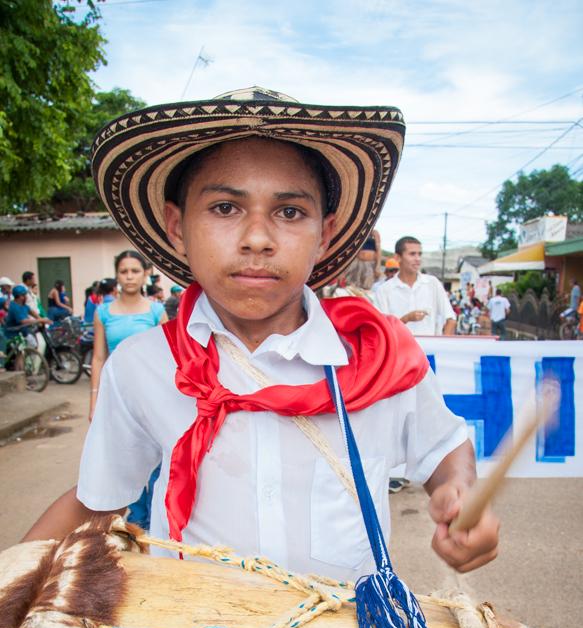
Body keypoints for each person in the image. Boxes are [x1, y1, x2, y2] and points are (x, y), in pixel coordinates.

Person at [24, 86, 498, 584]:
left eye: (289, 212)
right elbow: (97, 501)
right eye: (226, 208)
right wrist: (12, 584)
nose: (257, 238)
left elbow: (444, 447)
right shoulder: (143, 365)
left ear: (326, 233)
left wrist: (460, 493)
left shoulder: (380, 358)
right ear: (177, 226)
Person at [89, 249, 168, 530]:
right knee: (124, 461)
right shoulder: (104, 312)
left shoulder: (156, 311)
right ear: (117, 275)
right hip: (119, 399)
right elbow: (98, 358)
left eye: (135, 271)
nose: (129, 276)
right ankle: (136, 524)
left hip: (155, 397)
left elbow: (170, 356)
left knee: (160, 464)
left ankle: (156, 522)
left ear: (145, 274)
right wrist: (94, 401)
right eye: (124, 271)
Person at [375, 236, 457, 336]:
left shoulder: (432, 283)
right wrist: (406, 319)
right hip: (399, 350)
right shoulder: (384, 290)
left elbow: (451, 319)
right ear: (397, 257)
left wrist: (443, 347)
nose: (417, 259)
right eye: (412, 254)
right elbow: (382, 329)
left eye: (419, 254)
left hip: (429, 351)